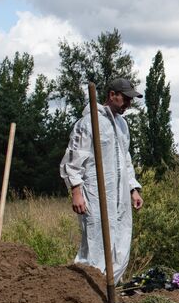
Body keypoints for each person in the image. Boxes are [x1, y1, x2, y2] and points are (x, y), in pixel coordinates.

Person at [60, 76, 143, 284]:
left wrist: (133, 188)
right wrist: (76, 191)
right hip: (95, 193)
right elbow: (73, 158)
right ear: (112, 95)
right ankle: (86, 291)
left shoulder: (123, 125)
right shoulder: (88, 123)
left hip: (119, 194)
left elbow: (125, 158)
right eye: (125, 99)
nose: (128, 104)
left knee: (120, 242)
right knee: (96, 243)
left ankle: (108, 290)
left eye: (130, 100)